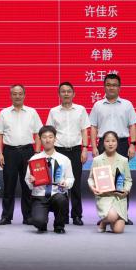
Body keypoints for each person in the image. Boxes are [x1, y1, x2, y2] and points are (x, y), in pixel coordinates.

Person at [89, 73, 136, 224]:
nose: (111, 87)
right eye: (108, 85)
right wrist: (94, 146)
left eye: (114, 85)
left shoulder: (127, 104)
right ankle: (104, 214)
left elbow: (132, 125)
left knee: (121, 179)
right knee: (102, 179)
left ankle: (124, 214)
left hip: (122, 143)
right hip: (103, 144)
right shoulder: (98, 105)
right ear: (104, 87)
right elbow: (93, 127)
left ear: (119, 87)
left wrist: (133, 144)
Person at [0, 84, 42, 226]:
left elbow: (38, 133)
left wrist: (37, 153)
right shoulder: (4, 113)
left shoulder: (32, 112)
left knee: (28, 185)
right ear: (10, 95)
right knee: (9, 185)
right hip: (10, 152)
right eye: (14, 94)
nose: (17, 96)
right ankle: (6, 216)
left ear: (24, 95)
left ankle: (28, 216)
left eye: (20, 93)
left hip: (28, 151)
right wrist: (0, 153)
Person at [46, 81, 91, 226]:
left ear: (73, 94)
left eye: (69, 91)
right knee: (59, 183)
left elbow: (84, 130)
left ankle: (77, 215)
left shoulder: (80, 110)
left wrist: (85, 148)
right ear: (59, 94)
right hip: (59, 151)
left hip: (76, 150)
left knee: (75, 184)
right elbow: (49, 132)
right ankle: (62, 215)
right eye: (63, 91)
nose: (66, 94)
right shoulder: (53, 111)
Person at [24, 125, 74, 233]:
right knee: (39, 222)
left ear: (55, 139)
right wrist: (31, 181)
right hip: (40, 196)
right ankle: (42, 221)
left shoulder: (64, 159)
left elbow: (70, 178)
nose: (47, 140)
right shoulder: (34, 159)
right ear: (40, 139)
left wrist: (66, 183)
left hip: (58, 194)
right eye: (44, 137)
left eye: (50, 137)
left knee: (61, 199)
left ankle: (59, 225)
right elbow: (27, 180)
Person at [88, 131, 132, 233]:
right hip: (104, 196)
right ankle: (105, 221)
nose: (110, 144)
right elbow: (90, 178)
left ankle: (106, 221)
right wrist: (93, 188)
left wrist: (126, 191)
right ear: (103, 143)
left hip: (119, 198)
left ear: (117, 142)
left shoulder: (123, 160)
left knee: (118, 230)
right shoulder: (97, 160)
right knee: (112, 216)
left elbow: (128, 180)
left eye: (113, 141)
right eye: (107, 141)